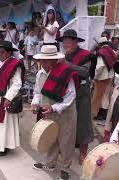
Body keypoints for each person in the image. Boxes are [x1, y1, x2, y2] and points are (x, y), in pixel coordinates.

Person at [31, 45, 78, 180]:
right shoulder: (40, 74)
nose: (43, 63)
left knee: (66, 140)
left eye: (47, 60)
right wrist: (35, 103)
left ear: (54, 61)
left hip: (65, 111)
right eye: (42, 60)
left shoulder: (64, 73)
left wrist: (55, 107)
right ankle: (50, 163)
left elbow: (71, 96)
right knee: (51, 137)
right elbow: (37, 92)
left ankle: (65, 168)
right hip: (49, 111)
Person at [57, 29, 96, 165]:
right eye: (64, 41)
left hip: (82, 93)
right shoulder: (62, 55)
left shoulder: (85, 55)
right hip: (66, 92)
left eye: (69, 41)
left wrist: (66, 64)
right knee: (66, 122)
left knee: (83, 123)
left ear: (76, 41)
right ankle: (64, 148)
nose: (66, 43)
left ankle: (83, 153)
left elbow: (85, 72)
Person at [92, 37, 117, 120]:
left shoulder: (101, 52)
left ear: (99, 44)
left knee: (99, 96)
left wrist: (95, 76)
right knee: (106, 95)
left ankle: (99, 113)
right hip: (110, 75)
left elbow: (100, 66)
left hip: (102, 77)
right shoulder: (112, 50)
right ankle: (105, 113)